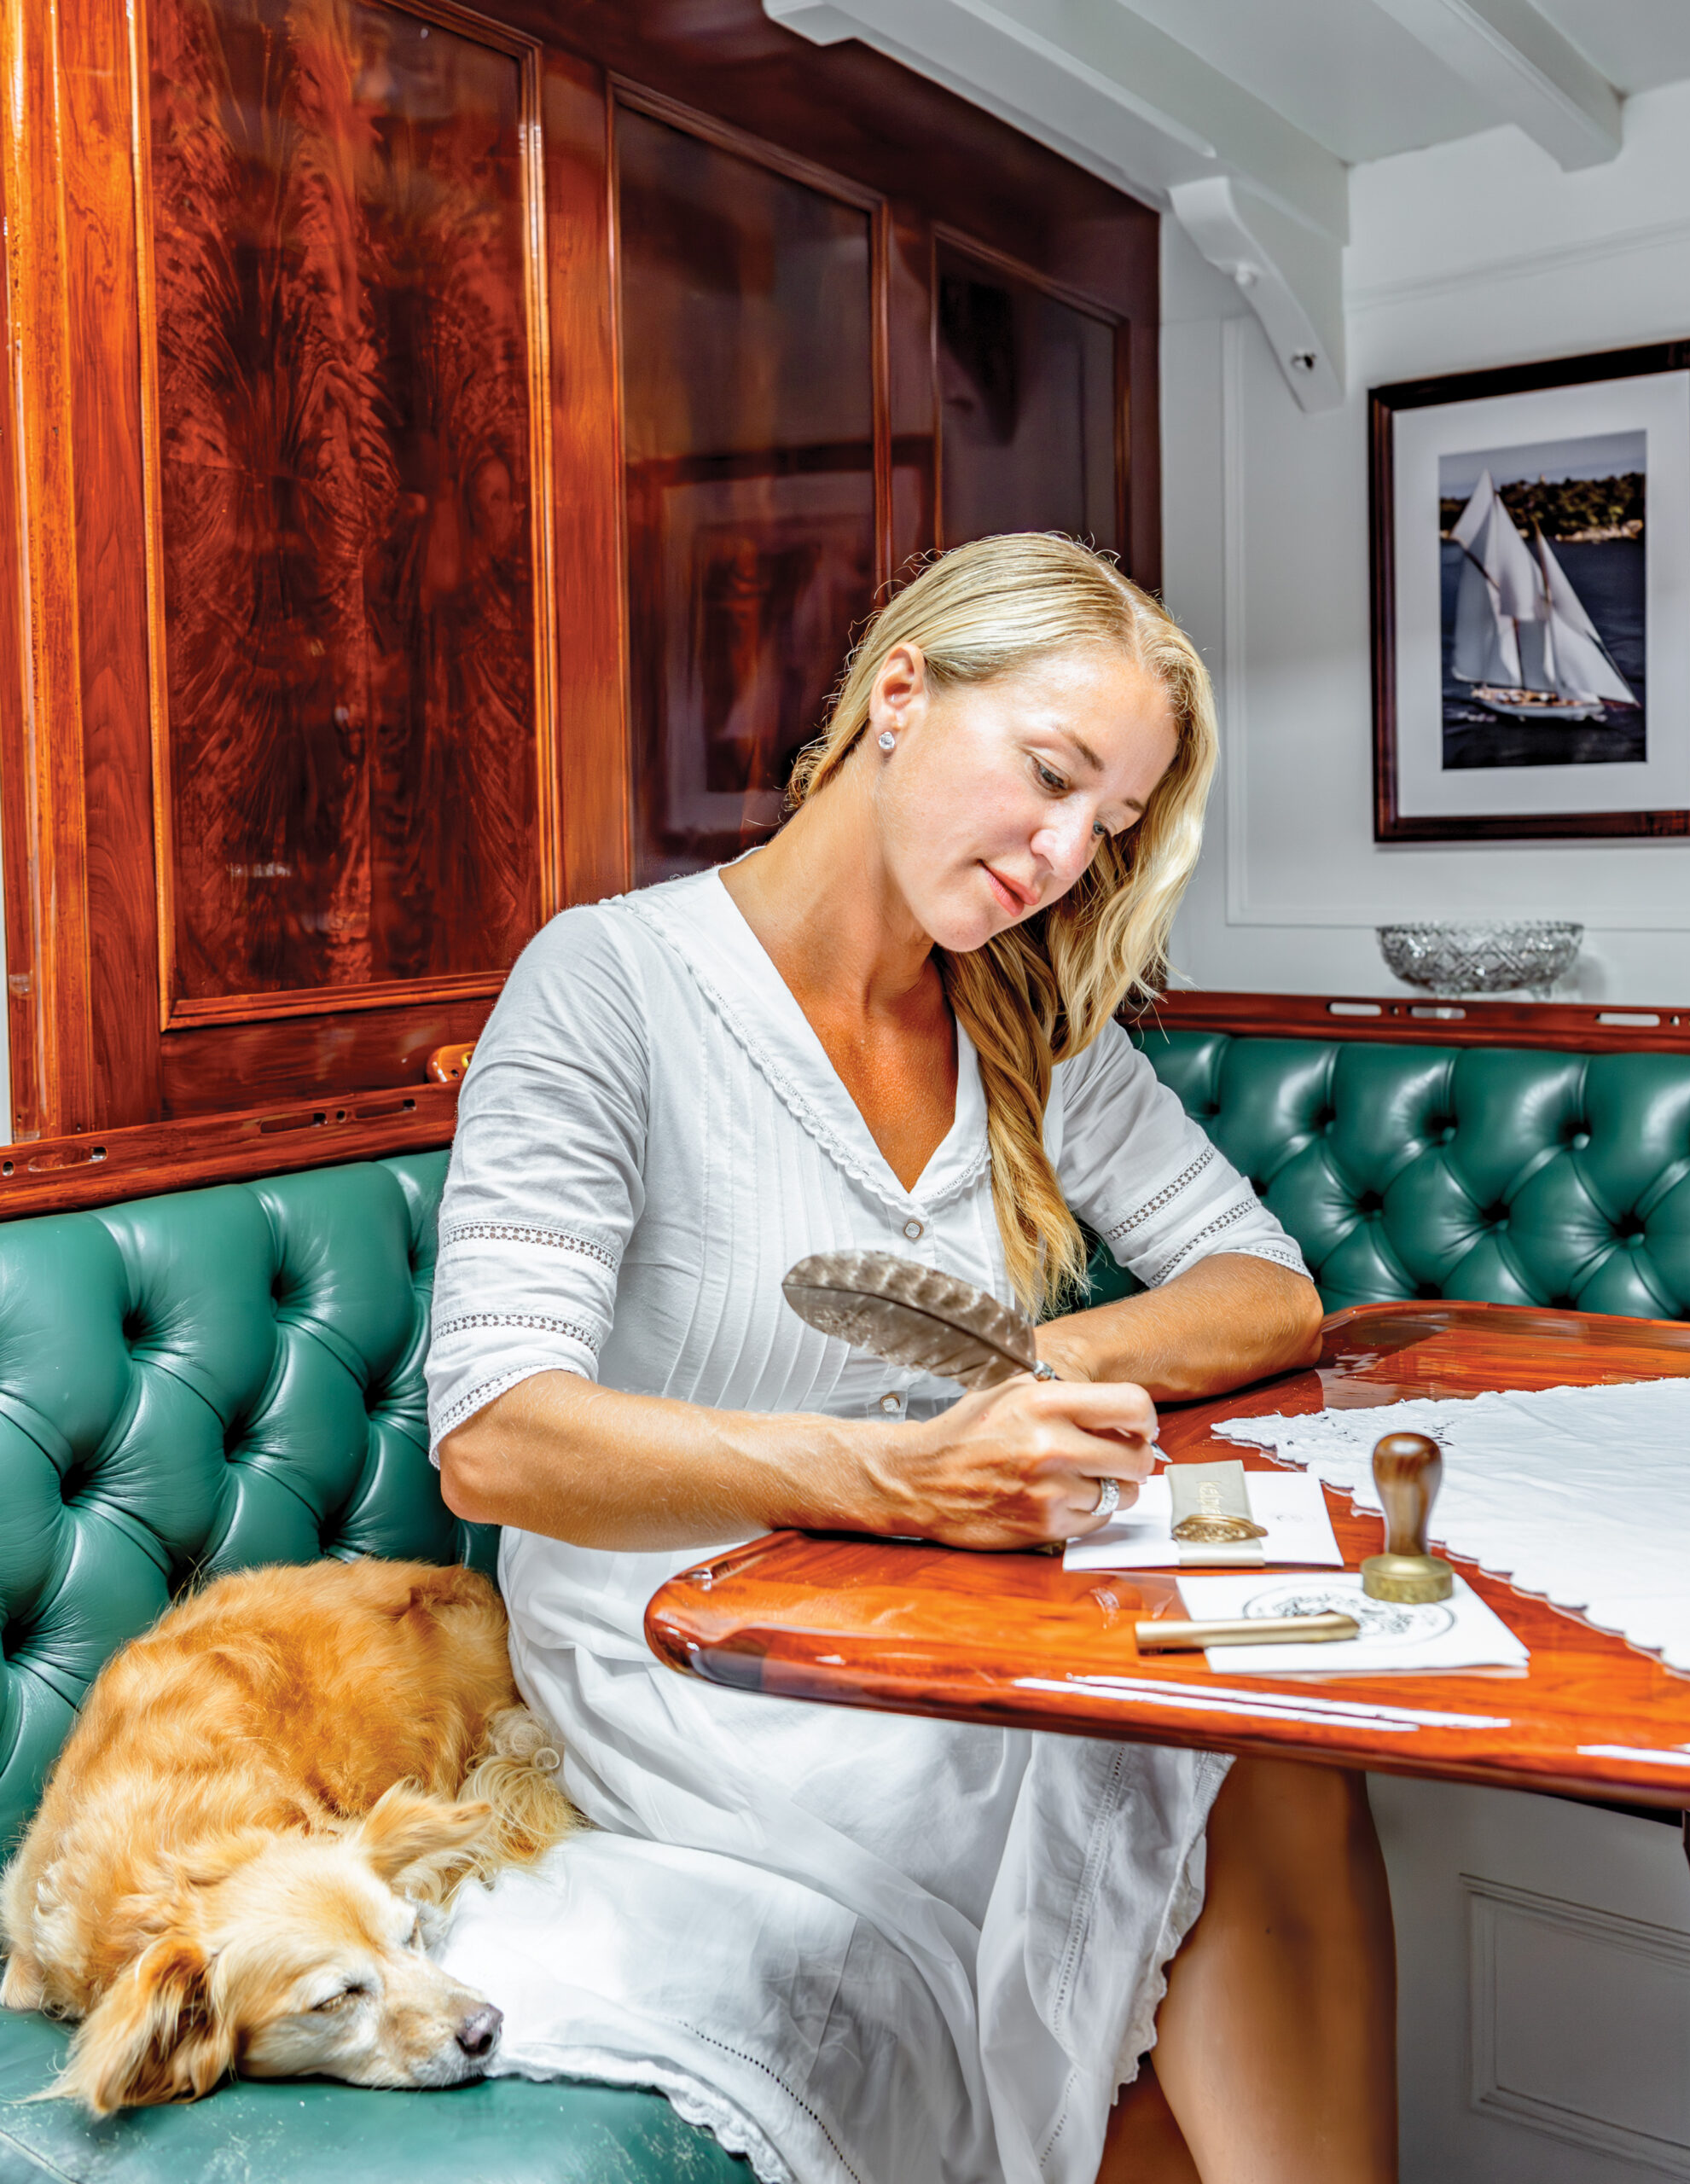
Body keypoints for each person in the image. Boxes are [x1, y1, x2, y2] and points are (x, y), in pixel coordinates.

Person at [428, 534, 1397, 2184]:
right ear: (899, 693)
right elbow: (502, 1441)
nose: (1062, 852)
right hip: (703, 1667)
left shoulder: (1018, 1022)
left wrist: (1018, 1380)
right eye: (1049, 774)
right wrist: (887, 1471)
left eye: (1109, 825)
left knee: (1271, 1749)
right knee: (1216, 1801)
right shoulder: (607, 987)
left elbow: (1265, 1293)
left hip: (954, 1614)